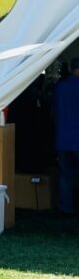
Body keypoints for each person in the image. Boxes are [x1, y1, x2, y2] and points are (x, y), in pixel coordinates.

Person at [53, 58, 79, 215]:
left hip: (62, 138)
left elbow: (53, 110)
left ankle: (65, 207)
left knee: (65, 175)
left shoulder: (60, 87)